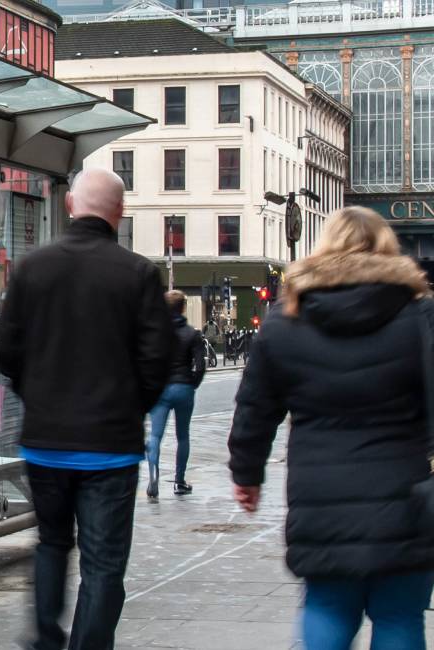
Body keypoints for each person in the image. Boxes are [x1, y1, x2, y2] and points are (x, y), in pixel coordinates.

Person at [228, 206, 434, 650]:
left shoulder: (287, 319)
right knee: (400, 614)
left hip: (320, 495)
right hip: (405, 494)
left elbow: (254, 407)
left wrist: (247, 474)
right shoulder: (419, 316)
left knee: (326, 606)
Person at [0, 168, 172, 650]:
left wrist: (37, 394)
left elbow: (7, 351)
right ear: (119, 212)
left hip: (46, 443)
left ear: (70, 204)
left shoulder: (33, 267)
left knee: (52, 542)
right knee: (103, 563)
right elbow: (158, 359)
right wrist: (130, 406)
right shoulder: (139, 274)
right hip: (110, 449)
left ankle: (46, 637)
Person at [145, 290, 206, 500]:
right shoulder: (192, 334)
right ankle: (179, 481)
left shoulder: (156, 334)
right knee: (183, 436)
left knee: (155, 435)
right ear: (183, 307)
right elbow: (200, 366)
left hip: (161, 388)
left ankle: (153, 478)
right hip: (183, 387)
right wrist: (192, 384)